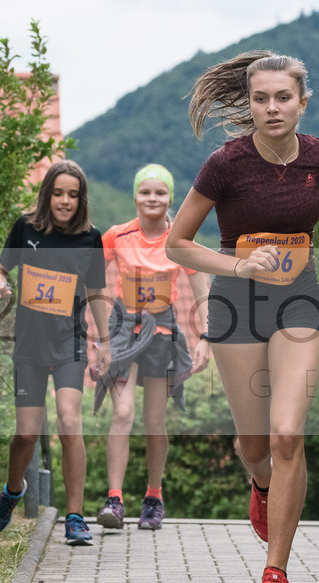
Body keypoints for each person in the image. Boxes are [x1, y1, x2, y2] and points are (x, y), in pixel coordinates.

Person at [165, 51, 319, 583]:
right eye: (260, 98)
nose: (272, 108)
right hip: (236, 303)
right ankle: (263, 487)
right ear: (248, 103)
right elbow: (177, 243)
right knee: (255, 448)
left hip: (299, 300)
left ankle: (276, 573)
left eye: (283, 97)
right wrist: (237, 266)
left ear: (303, 101)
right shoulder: (226, 164)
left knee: (287, 436)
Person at [0, 159, 111, 546]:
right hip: (29, 345)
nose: (65, 201)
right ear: (47, 194)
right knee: (25, 434)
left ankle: (75, 517)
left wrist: (104, 342)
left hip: (71, 343)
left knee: (69, 421)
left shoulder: (91, 238)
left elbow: (96, 293)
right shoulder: (27, 228)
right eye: (58, 193)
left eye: (73, 195)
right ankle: (12, 490)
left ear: (81, 199)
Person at [93, 164, 212, 531]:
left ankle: (154, 496)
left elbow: (202, 292)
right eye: (146, 192)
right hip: (122, 332)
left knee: (154, 422)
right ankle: (114, 500)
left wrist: (205, 338)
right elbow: (94, 282)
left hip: (162, 334)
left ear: (171, 197)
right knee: (123, 412)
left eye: (160, 193)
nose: (152, 199)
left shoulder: (180, 239)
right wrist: (100, 339)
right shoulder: (117, 235)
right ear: (135, 196)